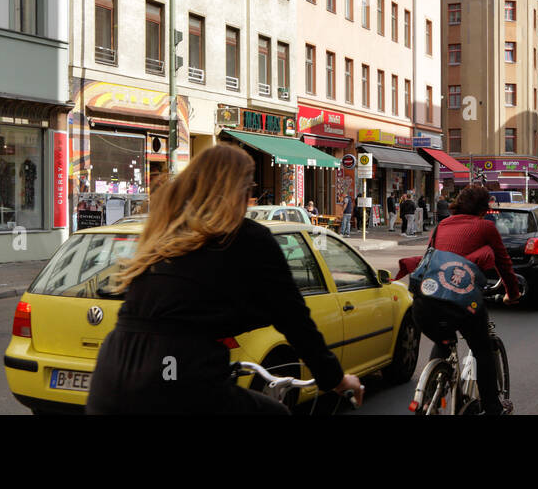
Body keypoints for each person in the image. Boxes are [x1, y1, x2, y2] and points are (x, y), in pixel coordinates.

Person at [85, 146, 363, 414]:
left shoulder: (166, 235)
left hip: (112, 374)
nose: (248, 199)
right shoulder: (245, 237)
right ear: (236, 191)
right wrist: (335, 379)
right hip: (173, 372)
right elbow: (293, 317)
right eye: (248, 190)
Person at [400, 184, 519, 415]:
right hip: (461, 304)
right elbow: (504, 263)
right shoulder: (485, 227)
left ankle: (427, 399)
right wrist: (512, 293)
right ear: (484, 209)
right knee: (482, 350)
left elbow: (430, 261)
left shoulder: (442, 225)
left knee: (443, 341)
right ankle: (493, 408)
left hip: (425, 303)